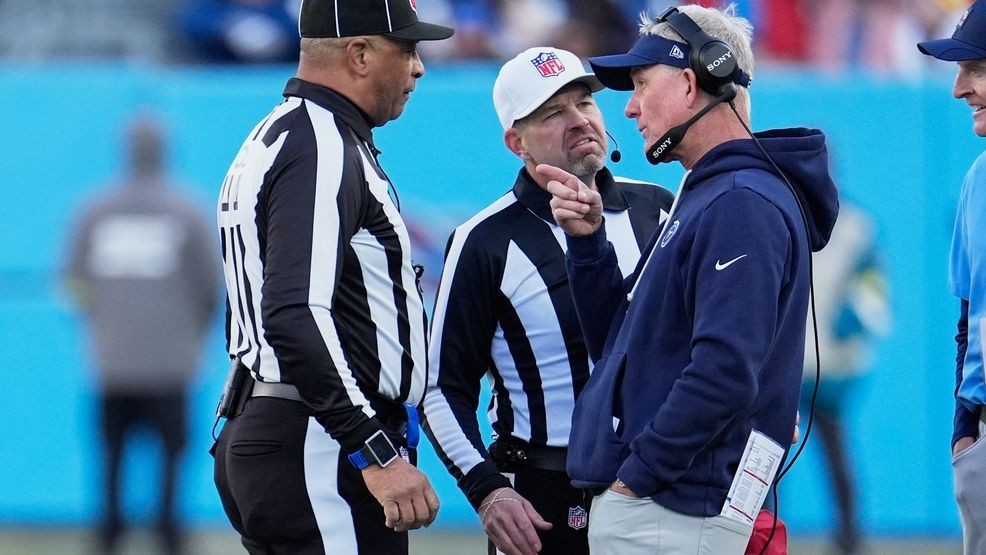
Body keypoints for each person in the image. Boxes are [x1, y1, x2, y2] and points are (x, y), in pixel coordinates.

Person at [536, 4, 838, 553]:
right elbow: (625, 350)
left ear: (692, 81)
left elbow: (725, 369)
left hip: (673, 508)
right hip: (668, 505)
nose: (627, 108)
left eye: (640, 83)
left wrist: (638, 477)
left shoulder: (741, 201)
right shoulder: (713, 194)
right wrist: (588, 246)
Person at [211, 1, 452, 553]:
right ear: (360, 53)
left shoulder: (282, 134)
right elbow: (294, 313)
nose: (418, 68)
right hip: (316, 441)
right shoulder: (318, 144)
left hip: (283, 424)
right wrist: (374, 449)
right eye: (408, 49)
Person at [421, 47, 674, 555]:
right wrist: (487, 489)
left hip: (657, 484)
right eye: (553, 113)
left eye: (584, 103)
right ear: (516, 141)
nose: (579, 120)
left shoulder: (657, 208)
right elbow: (439, 388)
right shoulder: (484, 240)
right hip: (545, 494)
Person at [64, 114, 220, 555]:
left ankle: (108, 536)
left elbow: (73, 283)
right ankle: (169, 537)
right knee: (171, 461)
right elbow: (211, 286)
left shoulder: (93, 211)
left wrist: (101, 325)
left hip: (111, 364)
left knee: (111, 459)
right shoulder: (187, 210)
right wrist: (190, 336)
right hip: (172, 366)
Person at [917, 3, 986, 553]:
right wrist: (964, 427)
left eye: (977, 68)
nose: (958, 88)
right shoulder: (977, 179)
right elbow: (969, 316)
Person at [800, 202, 889, 555]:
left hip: (831, 367)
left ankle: (850, 540)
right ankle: (758, 536)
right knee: (765, 461)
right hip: (780, 365)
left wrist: (850, 321)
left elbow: (875, 291)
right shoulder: (777, 211)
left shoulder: (856, 227)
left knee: (836, 455)